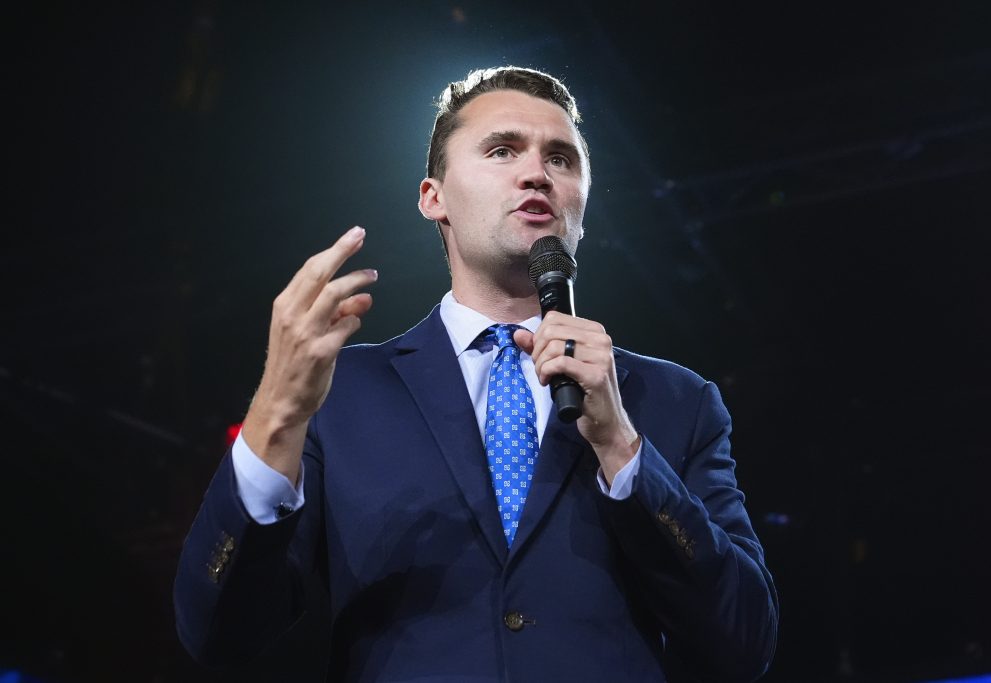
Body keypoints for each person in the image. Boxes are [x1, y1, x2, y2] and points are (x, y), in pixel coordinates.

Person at [174, 66, 778, 682]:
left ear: (581, 207)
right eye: (501, 150)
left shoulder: (676, 401)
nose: (537, 173)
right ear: (433, 198)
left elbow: (744, 641)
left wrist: (623, 449)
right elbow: (217, 632)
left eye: (561, 159)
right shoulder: (341, 392)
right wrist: (275, 416)